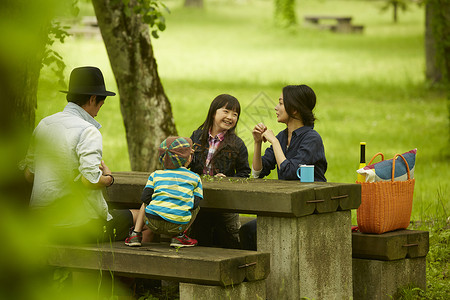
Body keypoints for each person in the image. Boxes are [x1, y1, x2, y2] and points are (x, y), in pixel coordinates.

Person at [20, 66, 150, 244]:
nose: (98, 111)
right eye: (100, 105)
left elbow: (29, 174)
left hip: (41, 224)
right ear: (93, 99)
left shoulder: (45, 124)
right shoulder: (88, 130)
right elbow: (89, 180)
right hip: (76, 226)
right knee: (146, 221)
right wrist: (108, 178)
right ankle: (129, 271)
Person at [239, 84, 327, 250]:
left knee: (251, 232)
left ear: (294, 109)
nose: (276, 107)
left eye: (281, 103)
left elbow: (289, 173)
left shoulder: (311, 139)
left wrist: (274, 141)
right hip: (288, 206)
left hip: (308, 208)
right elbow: (258, 172)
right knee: (247, 231)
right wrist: (258, 143)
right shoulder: (282, 136)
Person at [188, 94, 251, 249]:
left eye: (235, 114)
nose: (230, 117)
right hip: (198, 201)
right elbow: (188, 164)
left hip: (224, 204)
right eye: (226, 111)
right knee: (198, 240)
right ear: (213, 112)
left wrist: (229, 180)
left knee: (227, 243)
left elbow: (244, 173)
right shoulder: (196, 136)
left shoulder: (237, 144)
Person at [125, 136, 203, 248]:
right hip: (177, 225)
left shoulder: (156, 175)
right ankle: (179, 237)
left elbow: (145, 197)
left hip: (152, 223)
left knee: (146, 203)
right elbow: (195, 203)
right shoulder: (195, 178)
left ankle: (135, 235)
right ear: (189, 158)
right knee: (196, 208)